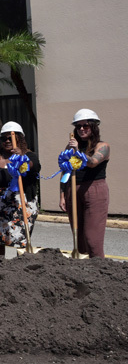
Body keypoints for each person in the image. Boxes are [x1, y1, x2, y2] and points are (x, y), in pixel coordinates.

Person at [0, 122, 39, 256]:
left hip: (21, 204)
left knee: (21, 238)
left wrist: (22, 158)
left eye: (10, 138)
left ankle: (20, 266)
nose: (7, 141)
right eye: (3, 138)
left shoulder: (29, 156)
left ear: (19, 139)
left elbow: (35, 166)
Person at [60, 109, 110, 258]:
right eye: (78, 126)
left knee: (92, 239)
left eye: (86, 125)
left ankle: (99, 270)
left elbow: (93, 162)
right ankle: (83, 272)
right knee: (79, 238)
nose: (81, 129)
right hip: (73, 190)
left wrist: (77, 152)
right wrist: (62, 195)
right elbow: (64, 171)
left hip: (95, 190)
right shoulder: (70, 148)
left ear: (94, 126)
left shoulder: (103, 146)